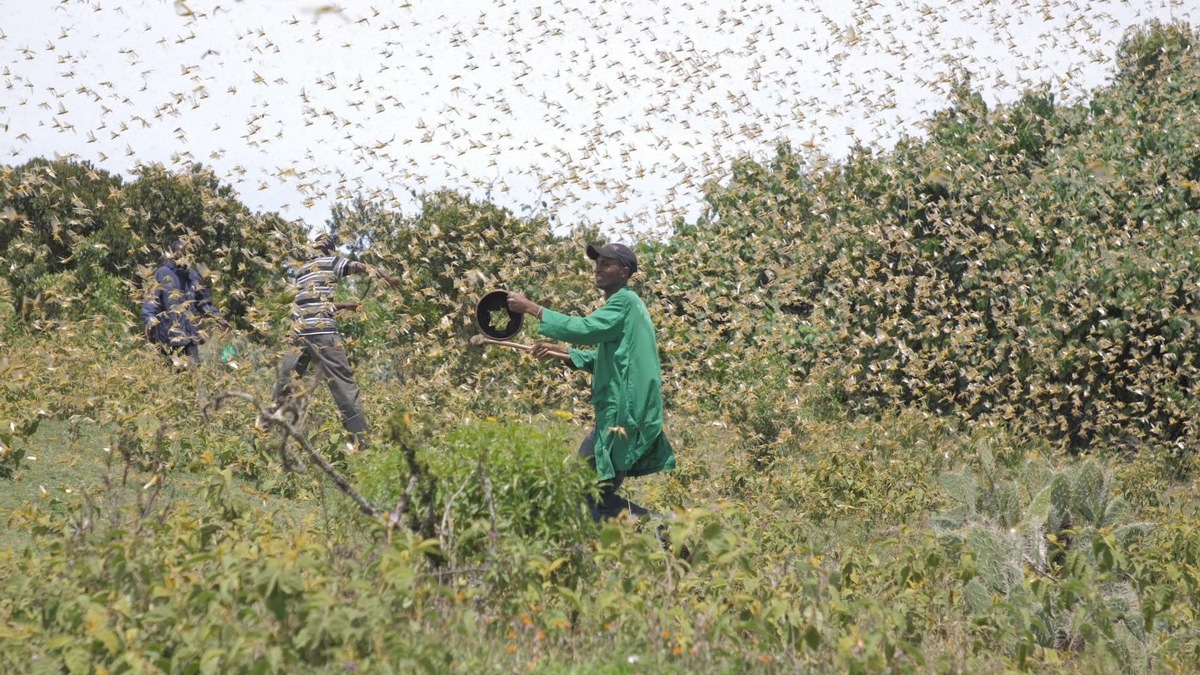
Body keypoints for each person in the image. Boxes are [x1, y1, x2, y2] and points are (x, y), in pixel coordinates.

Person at [507, 242, 676, 522]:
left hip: (621, 415)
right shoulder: (626, 306)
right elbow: (608, 361)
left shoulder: (624, 302)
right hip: (622, 414)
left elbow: (586, 329)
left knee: (580, 491)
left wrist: (533, 309)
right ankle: (658, 532)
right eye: (597, 263)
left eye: (606, 263)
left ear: (623, 272)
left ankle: (659, 530)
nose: (598, 268)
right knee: (594, 494)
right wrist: (562, 354)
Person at [269, 230, 399, 450]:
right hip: (322, 335)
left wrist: (343, 306)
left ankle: (264, 432)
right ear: (329, 248)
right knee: (343, 385)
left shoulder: (301, 270)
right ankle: (362, 443)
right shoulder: (330, 261)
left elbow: (313, 304)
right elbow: (358, 266)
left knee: (284, 386)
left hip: (299, 334)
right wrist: (387, 278)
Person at [141, 237, 230, 372]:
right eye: (180, 254)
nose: (183, 258)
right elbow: (151, 302)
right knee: (171, 382)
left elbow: (203, 303)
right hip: (169, 340)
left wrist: (218, 319)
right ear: (173, 254)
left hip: (190, 339)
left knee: (193, 382)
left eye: (186, 255)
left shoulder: (193, 276)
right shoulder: (162, 273)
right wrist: (149, 319)